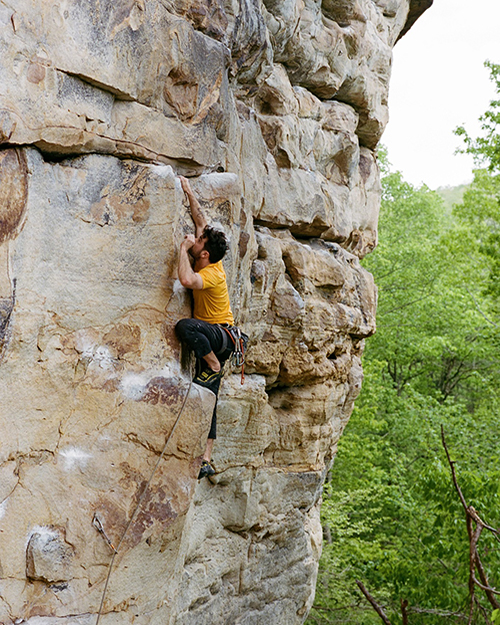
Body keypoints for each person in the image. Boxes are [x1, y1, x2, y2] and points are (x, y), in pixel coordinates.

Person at [175, 175, 235, 480]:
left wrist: (181, 249)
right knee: (209, 397)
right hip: (218, 337)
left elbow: (186, 280)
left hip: (220, 336)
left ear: (204, 254)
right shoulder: (209, 255)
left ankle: (211, 362)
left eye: (197, 243)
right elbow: (202, 221)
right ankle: (206, 459)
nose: (195, 240)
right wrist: (188, 190)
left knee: (185, 326)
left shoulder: (211, 274)